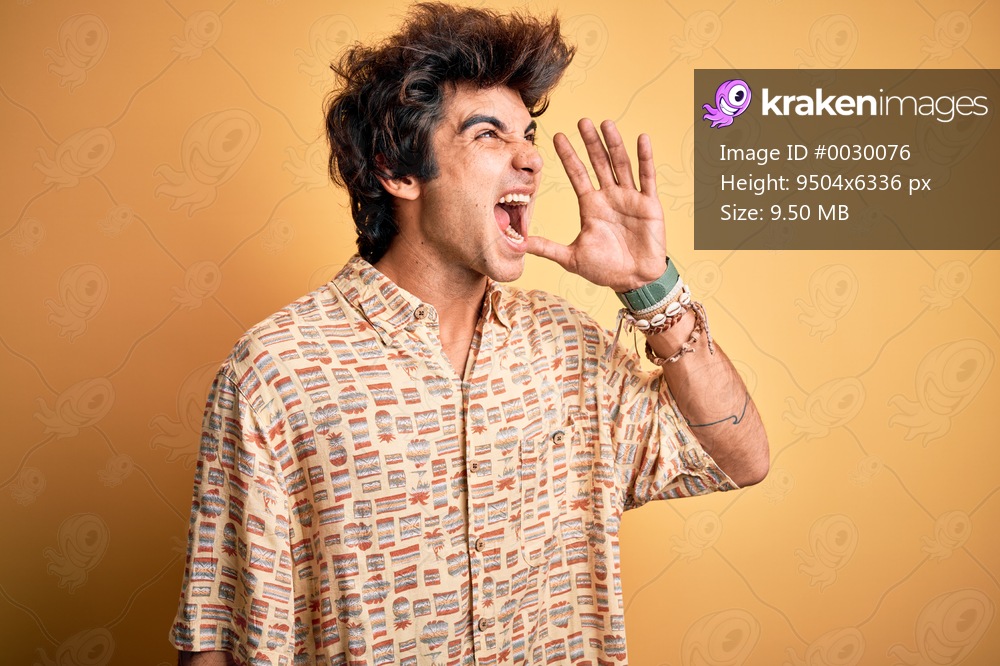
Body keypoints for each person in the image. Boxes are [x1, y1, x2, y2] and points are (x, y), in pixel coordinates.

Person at [171, 3, 769, 664]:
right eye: (488, 134)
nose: (530, 163)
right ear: (397, 171)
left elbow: (740, 457)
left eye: (528, 139)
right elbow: (218, 643)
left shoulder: (566, 349)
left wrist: (651, 288)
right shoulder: (277, 374)